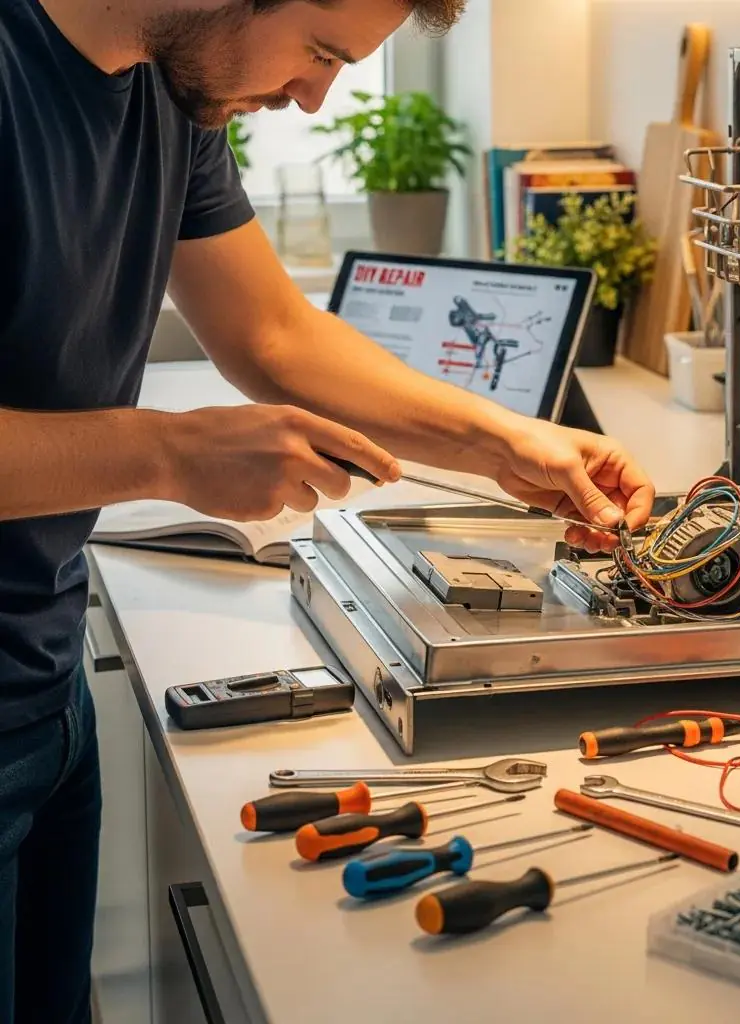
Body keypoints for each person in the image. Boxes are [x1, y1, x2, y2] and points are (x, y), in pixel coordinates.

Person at [0, 0, 655, 1019]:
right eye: (317, 51)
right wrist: (167, 451)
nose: (314, 96)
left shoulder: (171, 88)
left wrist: (503, 443)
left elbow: (271, 335)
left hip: (44, 676)